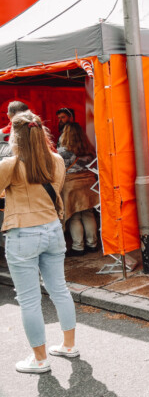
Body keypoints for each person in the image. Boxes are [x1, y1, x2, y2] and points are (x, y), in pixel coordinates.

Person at [1, 111, 78, 373]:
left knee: (30, 300)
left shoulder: (9, 165)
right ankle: (69, 345)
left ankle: (40, 359)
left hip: (23, 233)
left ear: (14, 136)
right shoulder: (57, 160)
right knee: (60, 289)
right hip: (52, 230)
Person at [57, 123, 99, 256]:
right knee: (88, 213)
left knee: (74, 216)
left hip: (72, 185)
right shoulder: (89, 148)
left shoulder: (62, 151)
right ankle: (92, 244)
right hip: (89, 184)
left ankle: (78, 247)